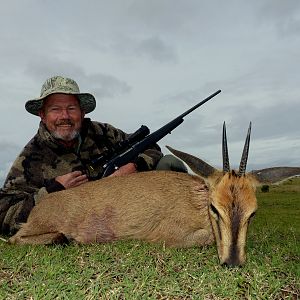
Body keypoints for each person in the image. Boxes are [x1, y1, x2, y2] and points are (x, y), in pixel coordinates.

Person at [0, 76, 187, 235]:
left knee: (169, 163)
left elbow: (151, 147)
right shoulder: (30, 157)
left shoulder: (103, 132)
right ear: (42, 115)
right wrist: (53, 190)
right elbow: (4, 213)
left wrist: (133, 167)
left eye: (71, 108)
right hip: (86, 223)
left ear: (82, 112)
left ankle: (185, 222)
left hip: (131, 207)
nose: (64, 116)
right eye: (55, 109)